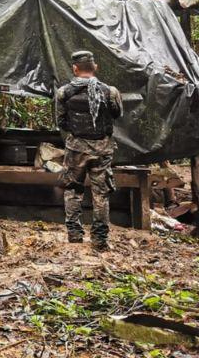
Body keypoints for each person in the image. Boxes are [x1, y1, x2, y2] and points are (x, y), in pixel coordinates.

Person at [54, 50, 123, 250]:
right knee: (101, 194)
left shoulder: (64, 92)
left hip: (76, 149)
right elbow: (117, 114)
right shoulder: (110, 91)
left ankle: (74, 236)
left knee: (73, 191)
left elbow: (61, 122)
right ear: (95, 68)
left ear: (75, 69)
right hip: (102, 149)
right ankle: (100, 241)